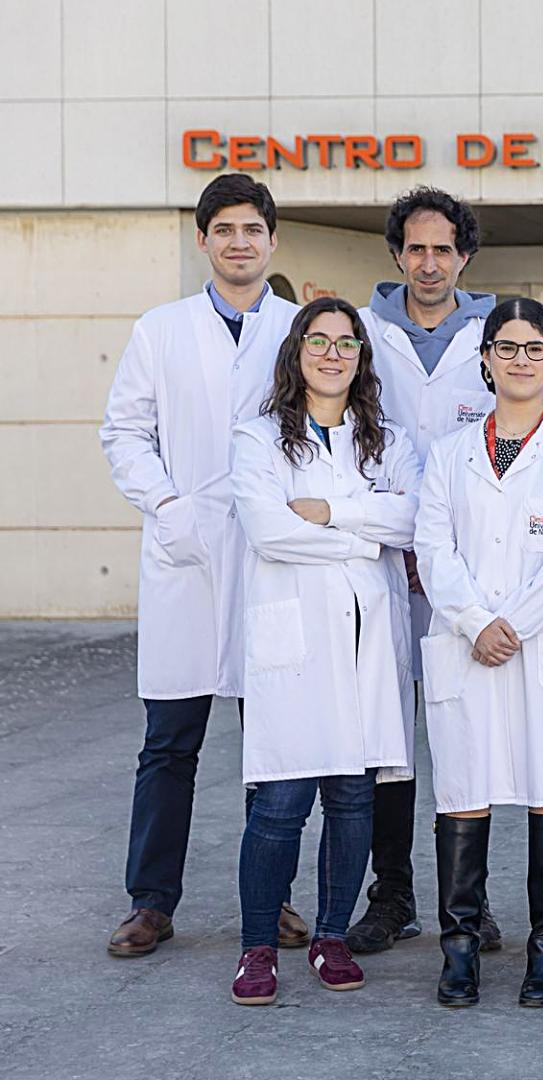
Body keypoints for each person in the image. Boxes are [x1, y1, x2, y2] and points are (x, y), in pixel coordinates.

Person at [101, 174, 303, 957]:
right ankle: (150, 901)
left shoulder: (298, 329)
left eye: (253, 229)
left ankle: (273, 899)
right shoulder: (161, 329)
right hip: (185, 556)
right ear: (203, 241)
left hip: (269, 559)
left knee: (274, 745)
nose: (240, 242)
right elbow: (124, 433)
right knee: (169, 745)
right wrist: (170, 506)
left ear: (272, 240)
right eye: (225, 230)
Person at [412, 298, 543, 1008]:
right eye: (507, 347)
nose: (521, 359)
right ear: (486, 359)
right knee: (463, 794)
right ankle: (458, 952)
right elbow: (432, 548)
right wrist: (474, 621)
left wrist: (513, 624)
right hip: (467, 644)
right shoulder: (449, 453)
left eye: (535, 349)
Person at [227, 298, 420, 1005]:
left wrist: (334, 512)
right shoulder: (257, 440)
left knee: (351, 797)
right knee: (279, 801)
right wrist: (365, 538)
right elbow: (268, 530)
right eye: (320, 341)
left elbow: (413, 516)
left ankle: (332, 936)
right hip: (297, 642)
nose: (333, 354)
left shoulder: (387, 439)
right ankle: (256, 947)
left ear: (362, 358)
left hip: (367, 640)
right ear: (296, 351)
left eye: (346, 343)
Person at [350, 186, 501, 956]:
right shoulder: (364, 334)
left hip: (469, 572)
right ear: (397, 254)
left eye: (444, 249)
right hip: (379, 565)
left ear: (464, 256)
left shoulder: (497, 332)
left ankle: (466, 901)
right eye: (416, 248)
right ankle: (393, 894)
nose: (430, 262)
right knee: (390, 743)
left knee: (465, 735)